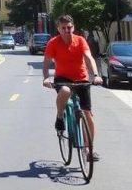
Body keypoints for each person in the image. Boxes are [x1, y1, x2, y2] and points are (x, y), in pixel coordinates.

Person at [43, 15, 104, 162]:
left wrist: (95, 75)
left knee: (87, 114)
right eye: (63, 28)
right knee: (65, 91)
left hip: (81, 78)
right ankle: (59, 116)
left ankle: (89, 149)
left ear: (73, 27)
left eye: (69, 27)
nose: (66, 30)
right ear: (58, 29)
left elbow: (88, 57)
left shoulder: (80, 40)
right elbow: (46, 62)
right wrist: (46, 77)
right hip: (62, 78)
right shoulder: (53, 43)